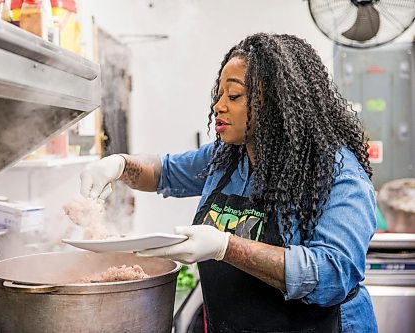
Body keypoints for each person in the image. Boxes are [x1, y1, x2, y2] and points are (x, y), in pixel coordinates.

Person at [79, 33, 377, 332]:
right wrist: (118, 165)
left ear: (276, 101)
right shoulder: (227, 158)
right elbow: (162, 171)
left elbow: (332, 274)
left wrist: (226, 247)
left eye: (233, 96)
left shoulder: (338, 173)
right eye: (219, 95)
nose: (218, 106)